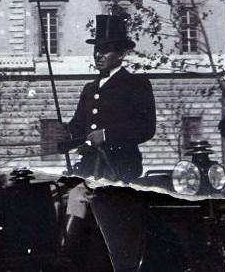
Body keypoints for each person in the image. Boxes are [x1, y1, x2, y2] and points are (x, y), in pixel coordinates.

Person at [57, 14, 156, 268]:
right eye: (97, 49)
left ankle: (69, 257)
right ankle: (67, 257)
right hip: (89, 170)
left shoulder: (136, 84)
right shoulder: (89, 89)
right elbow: (78, 128)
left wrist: (108, 135)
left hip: (120, 169)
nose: (99, 55)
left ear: (121, 54)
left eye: (106, 50)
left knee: (101, 220)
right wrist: (63, 136)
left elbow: (146, 127)